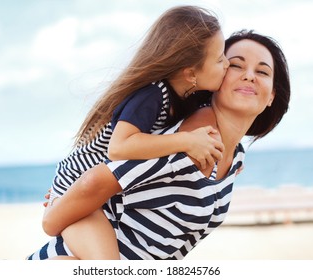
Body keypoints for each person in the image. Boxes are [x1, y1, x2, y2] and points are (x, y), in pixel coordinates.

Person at [27, 29, 290, 260]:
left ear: (272, 96)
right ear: (216, 76)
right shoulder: (188, 142)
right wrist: (55, 214)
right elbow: (96, 180)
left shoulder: (235, 158)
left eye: (262, 71)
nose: (249, 76)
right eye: (234, 65)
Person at [49, 5, 228, 208]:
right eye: (220, 58)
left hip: (101, 186)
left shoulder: (192, 95)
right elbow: (118, 147)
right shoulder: (152, 95)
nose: (227, 64)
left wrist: (228, 160)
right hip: (76, 181)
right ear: (190, 74)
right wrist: (186, 140)